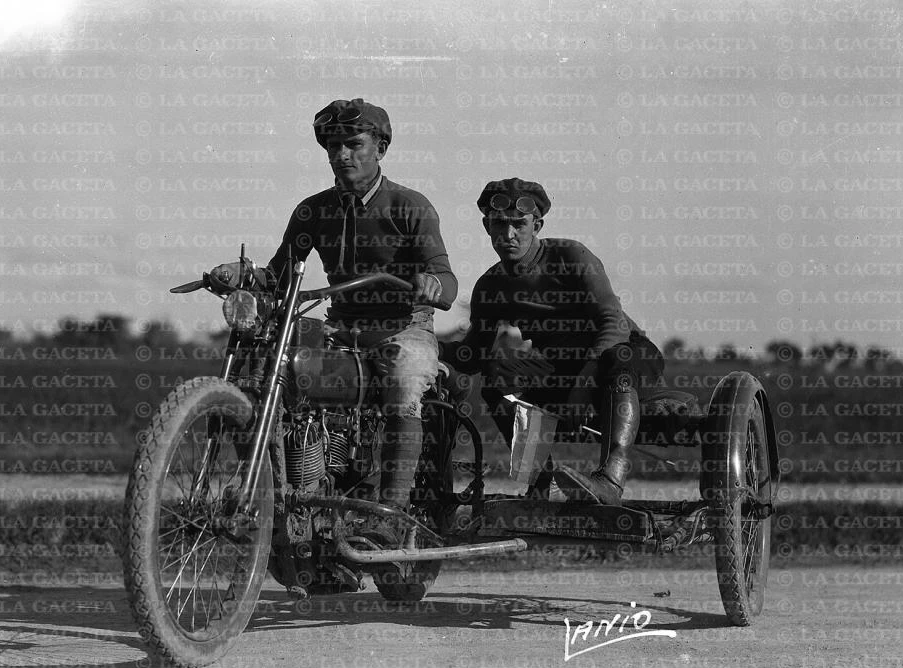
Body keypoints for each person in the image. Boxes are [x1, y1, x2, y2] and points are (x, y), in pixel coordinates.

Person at [215, 98, 456, 541]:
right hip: (340, 329)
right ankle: (286, 494)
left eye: (353, 143)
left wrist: (433, 284)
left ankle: (390, 515)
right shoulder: (313, 210)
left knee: (404, 381)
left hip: (403, 328)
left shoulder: (410, 205)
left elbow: (444, 274)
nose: (341, 154)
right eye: (331, 146)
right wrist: (243, 274)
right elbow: (281, 275)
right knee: (275, 367)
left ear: (380, 147)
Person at [442, 178, 663, 505]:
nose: (509, 234)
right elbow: (474, 354)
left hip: (623, 356)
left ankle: (610, 481)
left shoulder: (571, 256)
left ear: (538, 225)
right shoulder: (491, 285)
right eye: (499, 224)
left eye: (519, 224)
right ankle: (539, 482)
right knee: (496, 377)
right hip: (564, 368)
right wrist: (426, 343)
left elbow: (611, 322)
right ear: (487, 226)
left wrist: (585, 383)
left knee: (617, 360)